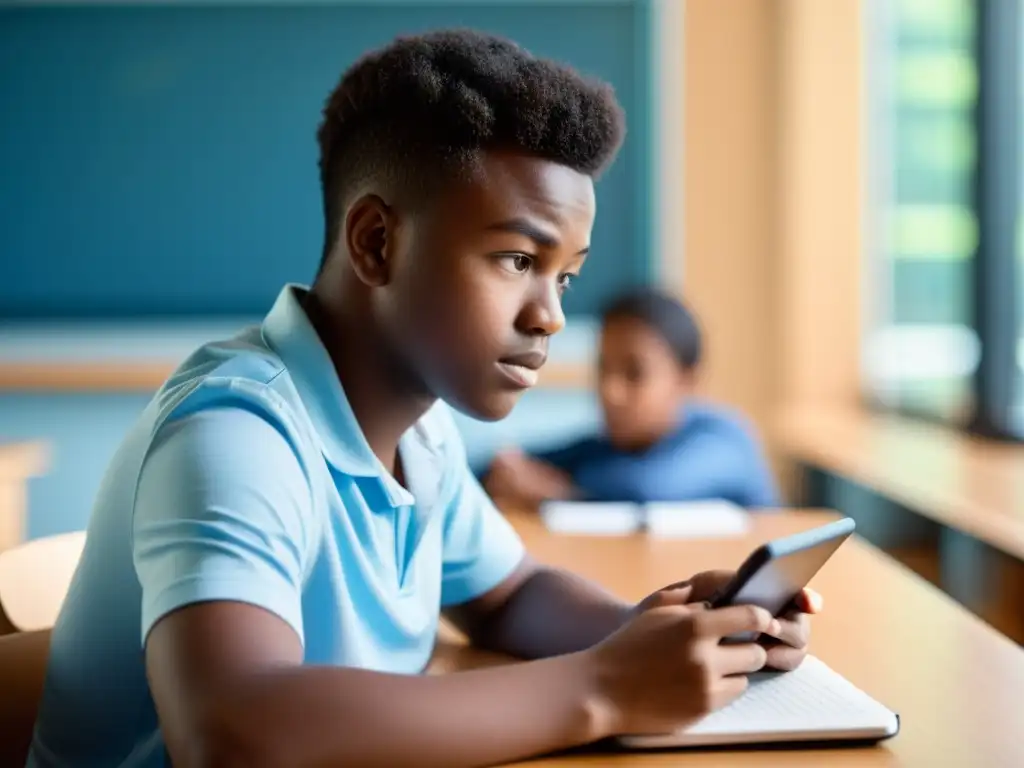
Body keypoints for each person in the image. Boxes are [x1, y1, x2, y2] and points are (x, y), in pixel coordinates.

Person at [29, 30, 820, 768]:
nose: (550, 315)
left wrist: (660, 635)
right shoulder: (238, 434)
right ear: (377, 242)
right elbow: (231, 728)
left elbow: (510, 597)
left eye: (565, 275)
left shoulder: (422, 431)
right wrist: (606, 687)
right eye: (516, 258)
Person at [484, 289, 781, 509]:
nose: (610, 391)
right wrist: (509, 470)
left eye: (634, 373)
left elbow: (650, 489)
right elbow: (498, 468)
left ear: (686, 382)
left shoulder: (725, 439)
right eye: (603, 368)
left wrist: (556, 492)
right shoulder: (608, 446)